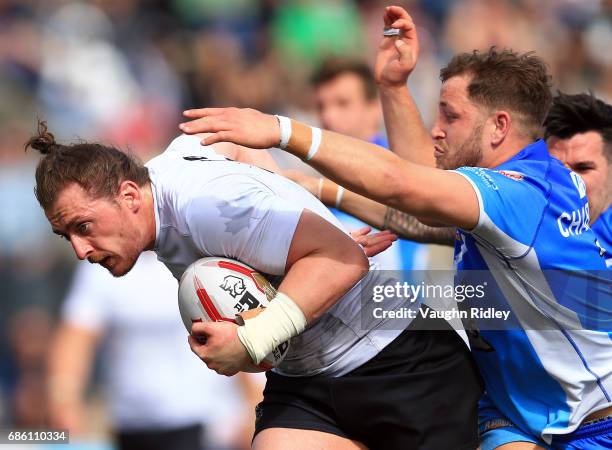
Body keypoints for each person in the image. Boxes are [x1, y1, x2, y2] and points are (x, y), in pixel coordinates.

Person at [177, 6, 611, 449]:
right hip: (507, 415)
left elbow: (402, 183)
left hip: (589, 420)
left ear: (500, 127)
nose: (436, 130)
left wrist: (280, 130)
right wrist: (393, 87)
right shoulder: (510, 192)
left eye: (450, 116)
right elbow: (420, 193)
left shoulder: (518, 195)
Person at [27, 123, 482, 450]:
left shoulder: (207, 205)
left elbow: (343, 259)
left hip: (401, 361)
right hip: (307, 382)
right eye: (66, 235)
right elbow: (225, 139)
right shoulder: (169, 169)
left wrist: (252, 338)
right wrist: (290, 221)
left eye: (83, 226)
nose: (80, 250)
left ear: (129, 196)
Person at [48, 251, 263, 450]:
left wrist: (254, 406)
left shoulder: (202, 253)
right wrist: (64, 399)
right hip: (131, 425)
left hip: (206, 423)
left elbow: (236, 332)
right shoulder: (101, 266)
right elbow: (76, 337)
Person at [308, 58, 421, 271]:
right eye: (321, 106)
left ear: (374, 108)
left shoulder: (401, 169)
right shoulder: (317, 180)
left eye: (343, 103)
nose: (328, 117)